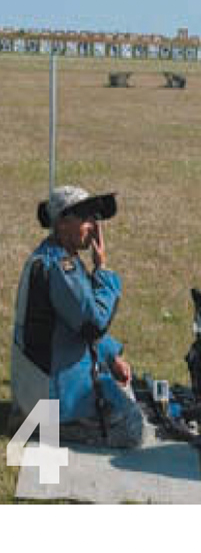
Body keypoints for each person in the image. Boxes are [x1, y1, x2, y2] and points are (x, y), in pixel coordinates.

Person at [11, 186, 146, 448]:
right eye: (85, 217)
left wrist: (111, 355)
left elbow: (75, 325)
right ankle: (37, 427)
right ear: (61, 223)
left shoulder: (56, 256)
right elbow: (93, 325)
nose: (93, 225)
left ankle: (36, 419)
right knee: (133, 428)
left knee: (120, 392)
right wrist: (103, 270)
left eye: (94, 217)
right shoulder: (60, 268)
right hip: (51, 392)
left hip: (47, 381)